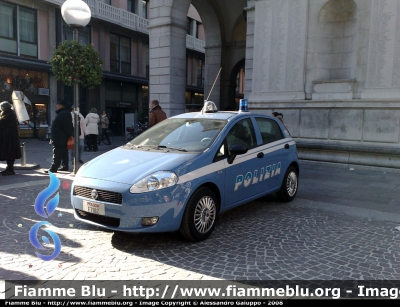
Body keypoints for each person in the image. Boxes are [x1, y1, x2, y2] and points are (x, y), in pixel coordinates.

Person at [46, 100, 74, 173]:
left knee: (57, 152)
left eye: (57, 105)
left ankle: (54, 168)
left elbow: (65, 126)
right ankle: (64, 166)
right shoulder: (64, 113)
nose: (56, 106)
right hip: (62, 137)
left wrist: (68, 135)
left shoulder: (63, 114)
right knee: (64, 152)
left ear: (61, 105)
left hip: (60, 137)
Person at [0, 101, 21, 176]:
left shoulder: (8, 115)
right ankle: (9, 168)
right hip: (9, 138)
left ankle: (10, 169)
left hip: (9, 139)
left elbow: (2, 123)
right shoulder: (9, 113)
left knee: (9, 154)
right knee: (8, 154)